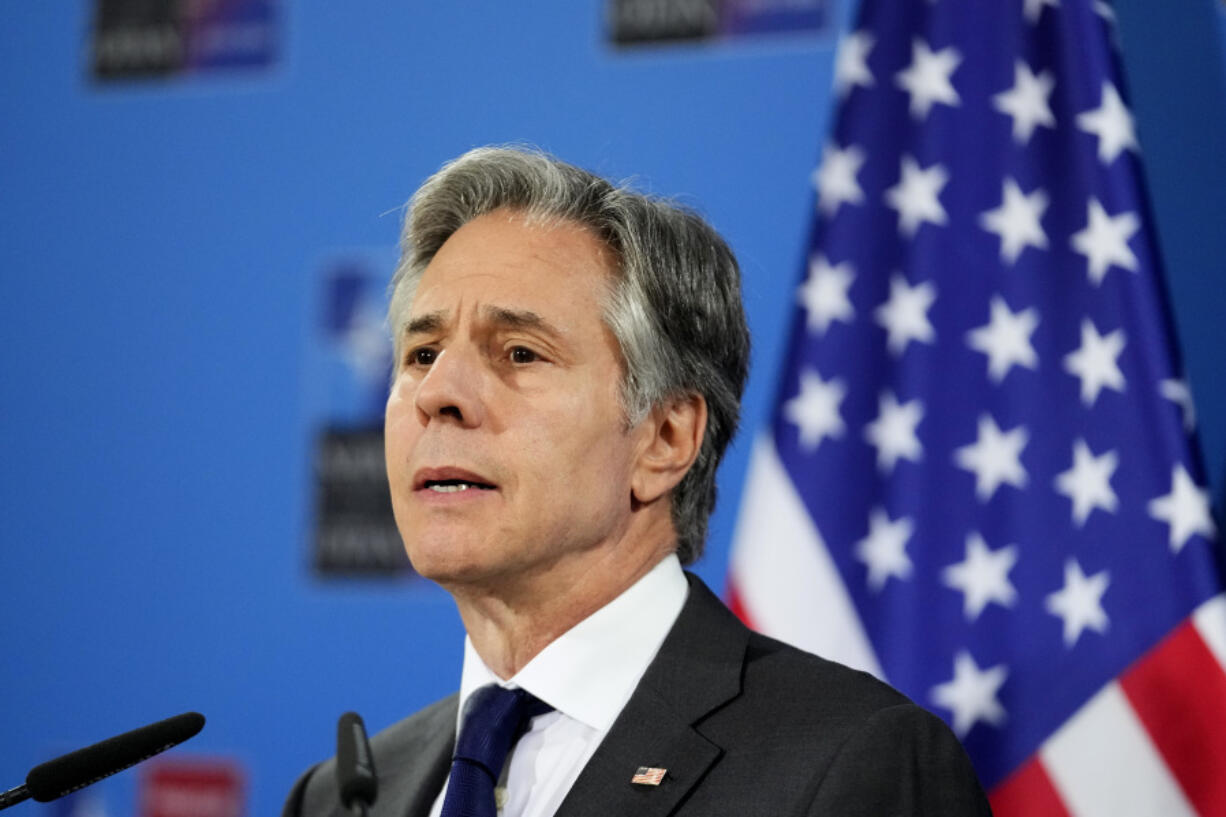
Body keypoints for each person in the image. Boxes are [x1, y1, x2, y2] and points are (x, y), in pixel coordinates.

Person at [283, 146, 991, 817]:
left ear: (665, 439)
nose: (439, 392)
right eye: (422, 351)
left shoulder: (851, 764)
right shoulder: (346, 794)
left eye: (521, 352)